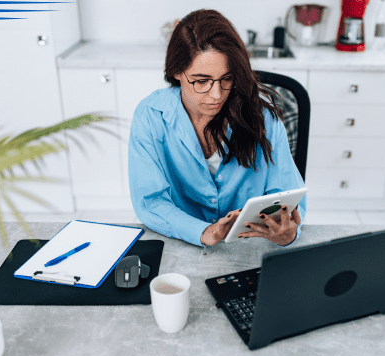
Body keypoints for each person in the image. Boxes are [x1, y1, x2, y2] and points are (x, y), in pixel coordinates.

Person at [128, 9, 306, 247]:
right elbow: (150, 202)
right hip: (181, 244)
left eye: (227, 79)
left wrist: (288, 234)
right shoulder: (150, 116)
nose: (217, 94)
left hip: (248, 247)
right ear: (176, 71)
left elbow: (289, 199)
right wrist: (204, 232)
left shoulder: (264, 119)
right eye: (201, 81)